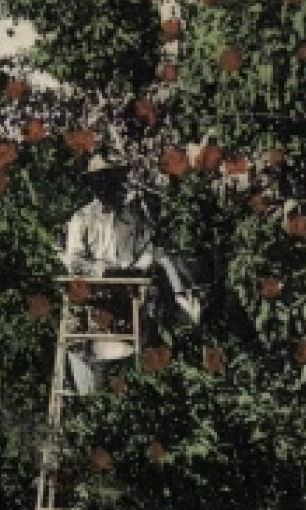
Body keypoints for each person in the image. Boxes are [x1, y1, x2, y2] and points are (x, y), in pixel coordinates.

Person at [61, 154, 207, 393]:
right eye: (101, 180)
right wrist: (101, 269)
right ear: (93, 185)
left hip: (130, 293)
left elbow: (148, 252)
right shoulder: (82, 219)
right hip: (96, 295)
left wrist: (142, 262)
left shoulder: (133, 217)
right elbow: (74, 262)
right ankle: (91, 391)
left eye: (112, 179)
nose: (107, 186)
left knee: (152, 329)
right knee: (88, 354)